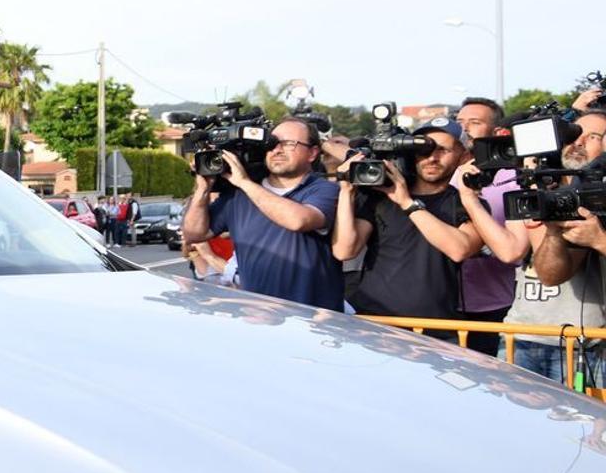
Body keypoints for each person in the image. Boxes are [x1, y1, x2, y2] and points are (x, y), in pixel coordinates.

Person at [182, 117, 343, 310]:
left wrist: (244, 183)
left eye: (288, 144)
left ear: (313, 153)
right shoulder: (238, 195)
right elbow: (194, 234)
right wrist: (203, 189)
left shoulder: (324, 189)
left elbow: (299, 220)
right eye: (271, 144)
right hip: (258, 315)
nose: (277, 150)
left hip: (312, 317)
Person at [333, 117, 484, 322]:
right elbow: (344, 250)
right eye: (423, 149)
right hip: (376, 321)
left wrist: (406, 202)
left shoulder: (468, 202)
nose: (432, 157)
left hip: (435, 326)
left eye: (443, 150)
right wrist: (346, 191)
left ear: (463, 156)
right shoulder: (379, 195)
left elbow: (460, 250)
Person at [502, 110, 606, 384]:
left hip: (588, 343)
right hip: (526, 336)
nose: (578, 141)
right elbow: (550, 275)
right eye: (573, 134)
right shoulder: (551, 190)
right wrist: (553, 229)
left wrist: (598, 239)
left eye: (593, 136)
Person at [452, 97, 521, 355]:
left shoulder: (513, 179)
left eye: (474, 122)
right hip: (444, 306)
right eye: (459, 121)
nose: (464, 128)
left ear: (497, 132)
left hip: (494, 306)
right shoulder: (441, 173)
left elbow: (515, 251)